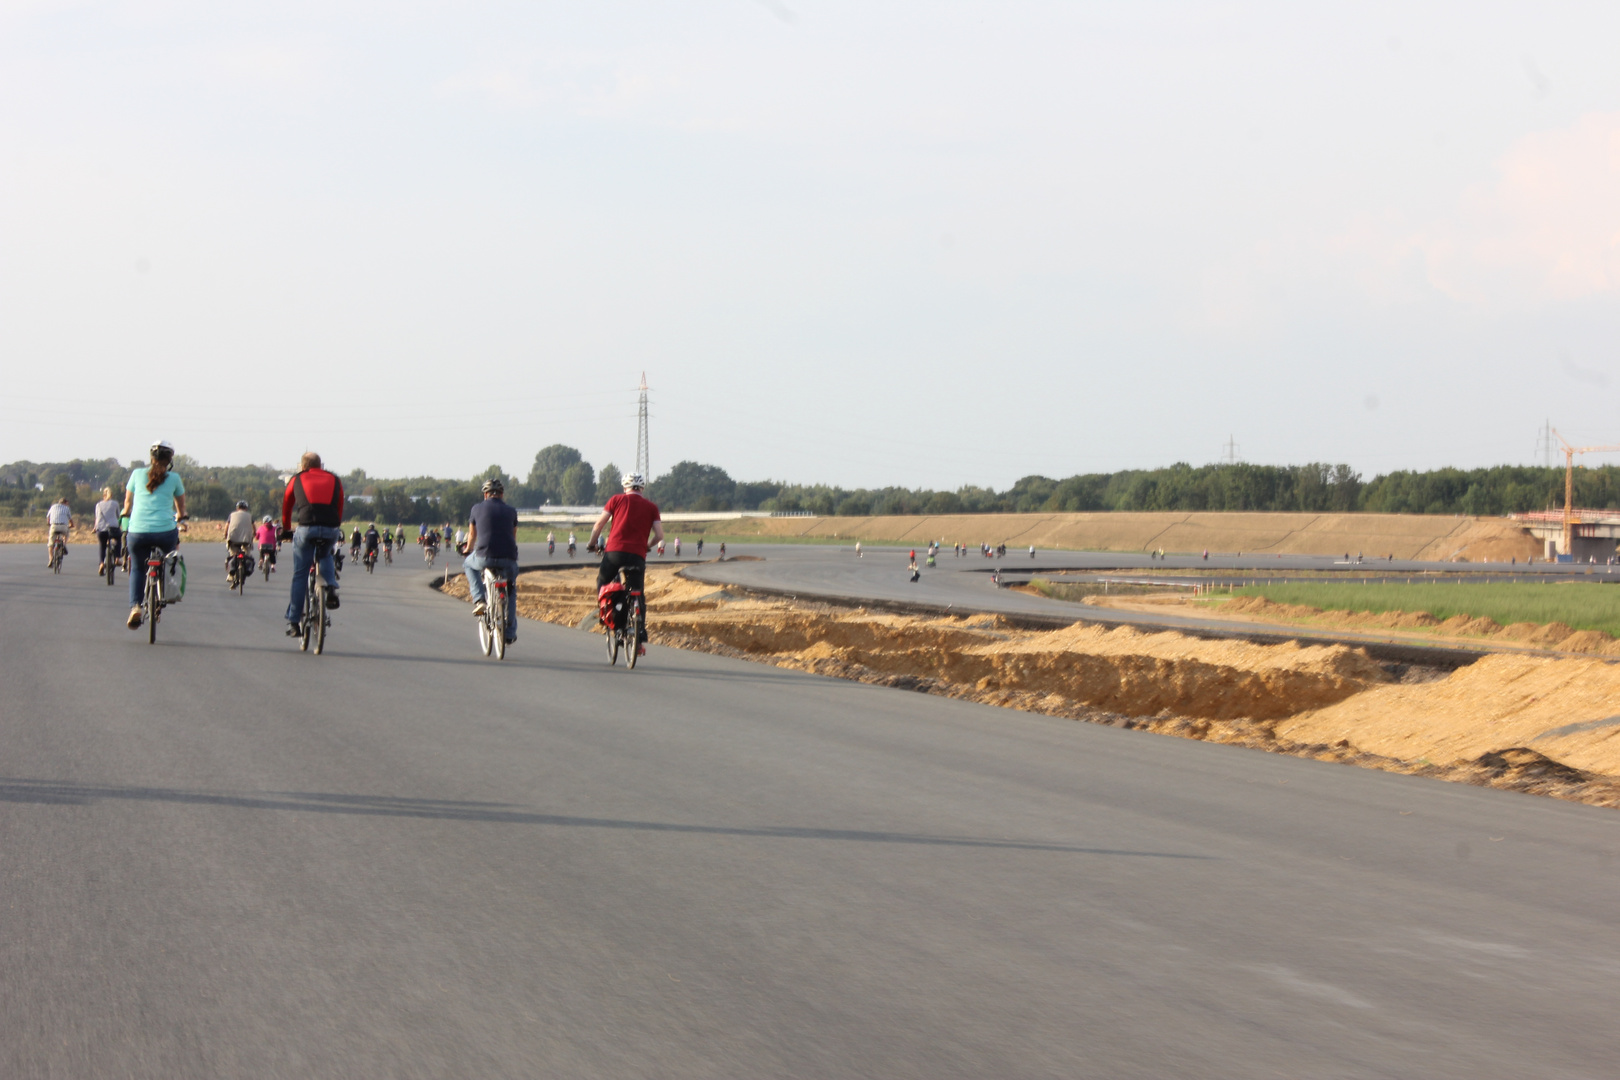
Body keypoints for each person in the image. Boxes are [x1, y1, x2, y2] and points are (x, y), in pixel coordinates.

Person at [587, 473, 663, 655]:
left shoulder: (616, 500)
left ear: (625, 487)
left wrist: (592, 544)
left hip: (614, 553)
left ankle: (609, 617)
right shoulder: (652, 507)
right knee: (638, 593)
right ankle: (639, 637)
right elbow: (660, 536)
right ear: (642, 488)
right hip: (637, 555)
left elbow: (599, 525)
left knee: (603, 581)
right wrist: (647, 546)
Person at [122, 440, 186, 629]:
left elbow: (127, 503)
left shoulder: (136, 474)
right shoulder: (174, 478)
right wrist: (181, 518)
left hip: (137, 533)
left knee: (137, 568)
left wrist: (126, 512)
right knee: (168, 560)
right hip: (165, 532)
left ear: (151, 458)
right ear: (169, 460)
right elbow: (181, 508)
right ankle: (162, 595)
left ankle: (135, 606)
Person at [280, 451, 345, 635]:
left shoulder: (297, 479)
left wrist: (286, 528)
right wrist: (335, 526)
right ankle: (331, 587)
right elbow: (339, 505)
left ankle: (293, 622)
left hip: (306, 528)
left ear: (303, 466)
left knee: (300, 574)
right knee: (324, 554)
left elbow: (287, 504)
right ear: (320, 464)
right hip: (331, 527)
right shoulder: (335, 479)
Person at [460, 478, 519, 643]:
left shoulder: (476, 509)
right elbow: (513, 537)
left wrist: (467, 550)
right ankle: (509, 633)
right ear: (501, 494)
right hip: (508, 559)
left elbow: (472, 536)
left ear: (485, 494)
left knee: (468, 564)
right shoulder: (511, 511)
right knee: (511, 589)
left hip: (484, 556)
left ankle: (479, 599)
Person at [225, 500, 255, 583]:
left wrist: (225, 535)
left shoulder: (232, 515)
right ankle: (245, 568)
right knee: (247, 553)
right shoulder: (249, 516)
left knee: (232, 554)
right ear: (246, 508)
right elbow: (254, 527)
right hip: (246, 539)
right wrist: (254, 534)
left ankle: (231, 575)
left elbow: (227, 526)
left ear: (237, 508)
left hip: (233, 538)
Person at [93, 487, 121, 575]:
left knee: (102, 546)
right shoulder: (115, 503)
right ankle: (117, 558)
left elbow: (97, 518)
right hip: (113, 528)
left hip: (101, 529)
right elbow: (118, 515)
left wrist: (95, 528)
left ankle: (101, 563)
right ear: (111, 495)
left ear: (103, 495)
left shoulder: (98, 505)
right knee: (118, 539)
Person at [45, 494, 73, 566]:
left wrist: (49, 524)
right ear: (65, 503)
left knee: (50, 544)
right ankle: (63, 545)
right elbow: (70, 519)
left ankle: (51, 559)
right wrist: (71, 525)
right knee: (66, 534)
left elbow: (48, 517)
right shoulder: (66, 508)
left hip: (53, 526)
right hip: (63, 526)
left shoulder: (53, 506)